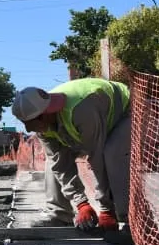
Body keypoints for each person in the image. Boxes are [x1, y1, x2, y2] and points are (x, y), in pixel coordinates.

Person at [12, 78, 131, 235]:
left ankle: (129, 220)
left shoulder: (81, 111)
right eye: (24, 122)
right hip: (95, 120)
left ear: (44, 114)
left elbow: (97, 157)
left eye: (30, 122)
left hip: (126, 113)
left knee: (112, 154)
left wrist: (106, 209)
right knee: (52, 164)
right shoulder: (43, 126)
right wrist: (81, 203)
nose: (28, 128)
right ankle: (60, 215)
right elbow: (59, 165)